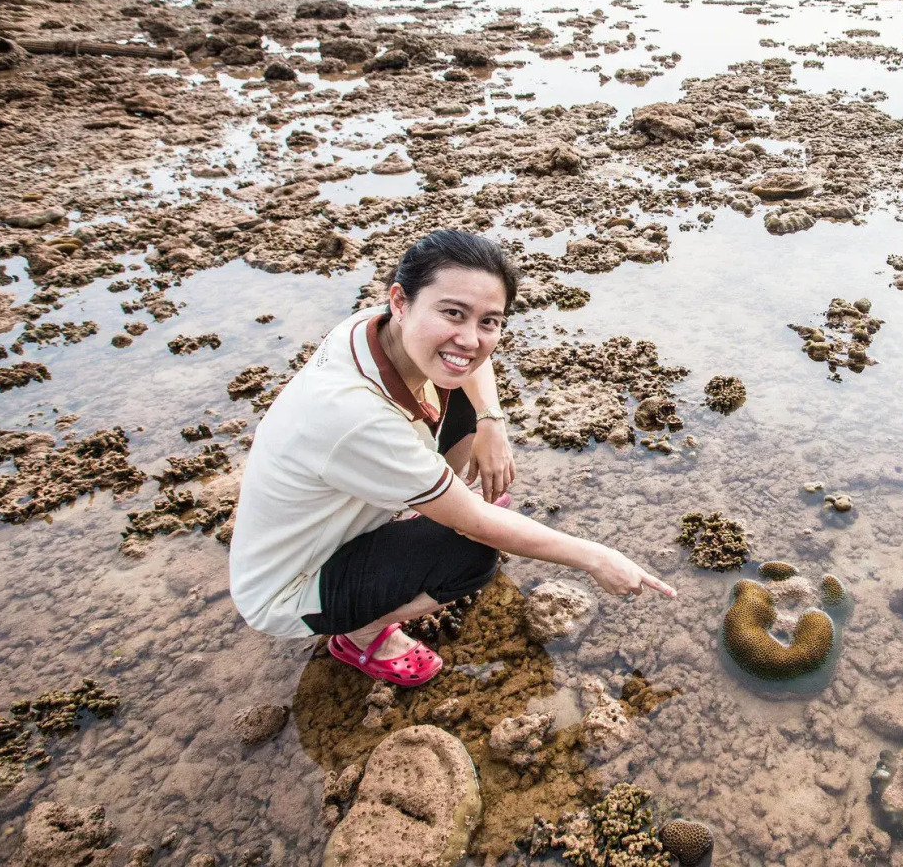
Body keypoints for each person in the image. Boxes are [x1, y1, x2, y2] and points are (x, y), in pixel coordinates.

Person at [228, 229, 674, 686]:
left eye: (490, 321)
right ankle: (359, 634)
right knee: (472, 553)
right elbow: (476, 525)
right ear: (400, 301)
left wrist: (491, 422)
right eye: (453, 312)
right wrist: (598, 558)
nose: (469, 337)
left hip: (331, 520)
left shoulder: (374, 329)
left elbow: (465, 361)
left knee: (458, 391)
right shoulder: (354, 416)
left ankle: (434, 501)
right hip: (290, 584)